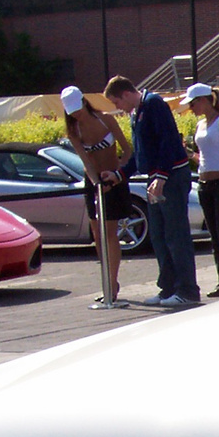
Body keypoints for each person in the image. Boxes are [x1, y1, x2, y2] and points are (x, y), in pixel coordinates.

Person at [103, 75, 200, 307]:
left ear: (126, 94)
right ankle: (167, 288)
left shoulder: (154, 104)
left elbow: (168, 141)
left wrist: (162, 176)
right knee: (158, 235)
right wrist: (119, 175)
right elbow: (141, 153)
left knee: (176, 234)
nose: (118, 108)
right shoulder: (136, 113)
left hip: (172, 177)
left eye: (117, 102)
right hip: (156, 178)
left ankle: (187, 290)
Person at [61, 85, 132, 302]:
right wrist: (97, 183)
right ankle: (107, 280)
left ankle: (112, 284)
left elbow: (127, 150)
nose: (76, 114)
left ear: (84, 101)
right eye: (71, 111)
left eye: (78, 108)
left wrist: (117, 173)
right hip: (94, 181)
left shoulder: (106, 120)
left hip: (114, 177)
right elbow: (86, 162)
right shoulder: (74, 131)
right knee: (97, 233)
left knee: (110, 232)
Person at [183, 82, 219, 297]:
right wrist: (190, 155)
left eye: (193, 104)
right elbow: (205, 155)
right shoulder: (200, 125)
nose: (192, 109)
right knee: (215, 236)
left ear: (204, 100)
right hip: (205, 183)